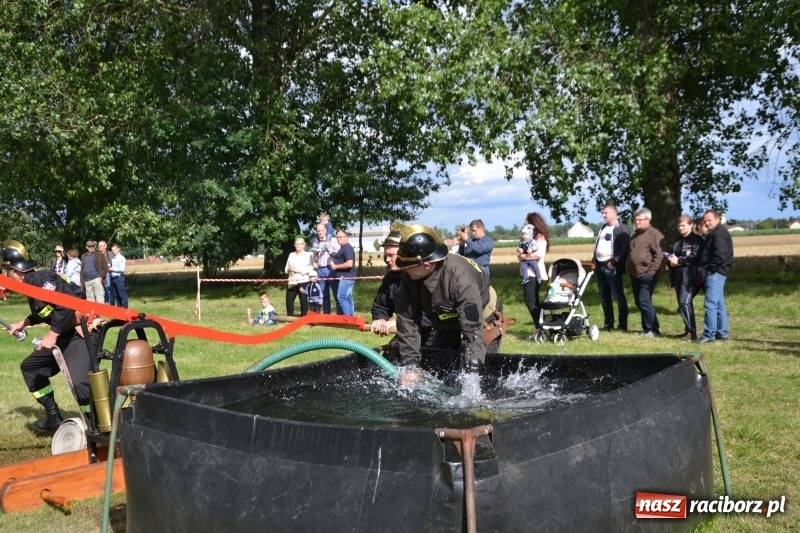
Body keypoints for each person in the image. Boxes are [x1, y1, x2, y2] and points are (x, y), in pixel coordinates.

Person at [2, 239, 93, 434]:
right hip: (65, 334)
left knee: (80, 383)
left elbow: (66, 304)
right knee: (31, 368)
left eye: (5, 272)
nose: (5, 277)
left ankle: (100, 425)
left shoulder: (39, 280)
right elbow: (46, 311)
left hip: (80, 332)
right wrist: (24, 322)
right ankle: (53, 419)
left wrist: (52, 334)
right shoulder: (32, 285)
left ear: (14, 271)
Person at [395, 225, 490, 385]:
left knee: (480, 377)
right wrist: (410, 368)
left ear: (425, 265)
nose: (402, 269)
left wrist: (471, 383)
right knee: (440, 372)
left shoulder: (460, 280)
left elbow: (473, 333)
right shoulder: (411, 274)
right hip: (445, 321)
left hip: (482, 320)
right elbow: (407, 320)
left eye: (406, 266)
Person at [626, 208, 667, 337]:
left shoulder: (655, 235)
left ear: (648, 220)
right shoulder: (635, 235)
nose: (636, 222)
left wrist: (650, 273)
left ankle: (653, 330)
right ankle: (647, 328)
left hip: (647, 274)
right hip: (635, 274)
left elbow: (659, 256)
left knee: (644, 301)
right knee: (640, 301)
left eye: (639, 220)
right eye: (635, 220)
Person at [694, 209, 734, 344]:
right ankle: (722, 333)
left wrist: (710, 270)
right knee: (719, 303)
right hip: (718, 272)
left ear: (717, 219)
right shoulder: (716, 233)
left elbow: (720, 256)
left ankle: (709, 334)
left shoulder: (719, 234)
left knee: (710, 303)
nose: (707, 223)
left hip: (715, 272)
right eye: (705, 221)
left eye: (709, 220)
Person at [593, 203, 630, 332]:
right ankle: (608, 324)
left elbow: (624, 250)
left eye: (606, 213)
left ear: (614, 214)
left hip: (612, 267)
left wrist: (614, 262)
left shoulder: (621, 229)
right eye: (602, 213)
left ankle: (622, 325)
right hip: (600, 266)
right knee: (604, 296)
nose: (603, 215)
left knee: (618, 296)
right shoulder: (603, 227)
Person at [666, 215, 705, 340]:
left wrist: (679, 261)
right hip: (678, 277)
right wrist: (669, 262)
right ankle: (687, 330)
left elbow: (694, 257)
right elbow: (673, 254)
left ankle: (692, 332)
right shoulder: (678, 241)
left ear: (690, 225)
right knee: (682, 304)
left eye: (683, 225)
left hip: (691, 277)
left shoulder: (697, 240)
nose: (681, 228)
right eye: (679, 226)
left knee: (684, 302)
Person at [519, 213, 550, 331]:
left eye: (526, 223)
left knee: (530, 300)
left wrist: (523, 256)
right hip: (528, 272)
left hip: (534, 273)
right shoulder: (529, 238)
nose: (525, 225)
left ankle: (540, 326)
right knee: (533, 300)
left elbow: (538, 254)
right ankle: (541, 325)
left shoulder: (540, 238)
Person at [370, 231, 404, 336]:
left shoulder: (422, 278)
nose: (387, 260)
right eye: (386, 256)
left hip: (433, 336)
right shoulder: (390, 278)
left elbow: (428, 316)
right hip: (407, 334)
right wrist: (380, 318)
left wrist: (397, 322)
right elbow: (380, 305)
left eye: (391, 255)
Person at [311, 222, 340, 313]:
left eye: (322, 230)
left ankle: (340, 314)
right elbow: (315, 260)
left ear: (326, 230)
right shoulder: (316, 243)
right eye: (318, 231)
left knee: (336, 294)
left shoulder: (333, 240)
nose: (320, 232)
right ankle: (326, 315)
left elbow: (339, 254)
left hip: (330, 269)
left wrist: (329, 249)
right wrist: (315, 253)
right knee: (324, 294)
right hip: (320, 270)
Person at [328, 230, 356, 316]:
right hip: (347, 277)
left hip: (346, 277)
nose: (338, 239)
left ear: (346, 237)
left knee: (341, 296)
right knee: (347, 297)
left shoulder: (347, 248)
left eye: (340, 237)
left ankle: (347, 318)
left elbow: (349, 264)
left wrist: (335, 266)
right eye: (337, 237)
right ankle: (351, 317)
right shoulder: (343, 248)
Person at [284, 237, 313, 317]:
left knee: (303, 300)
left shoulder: (308, 255)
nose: (297, 246)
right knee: (289, 299)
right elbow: (286, 268)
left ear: (304, 245)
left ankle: (303, 317)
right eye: (296, 244)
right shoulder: (291, 255)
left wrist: (299, 270)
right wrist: (289, 269)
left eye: (299, 244)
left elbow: (310, 268)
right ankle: (290, 316)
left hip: (303, 281)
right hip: (292, 281)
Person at [109, 243, 128, 308]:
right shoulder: (113, 258)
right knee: (116, 295)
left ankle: (125, 308)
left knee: (122, 294)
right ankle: (119, 309)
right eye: (112, 250)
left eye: (114, 250)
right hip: (114, 278)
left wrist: (111, 269)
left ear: (118, 249)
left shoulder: (121, 258)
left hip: (119, 278)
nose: (113, 251)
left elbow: (122, 269)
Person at [98, 240, 113, 304]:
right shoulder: (97, 254)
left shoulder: (110, 254)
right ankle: (106, 305)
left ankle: (110, 305)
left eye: (101, 245)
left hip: (108, 274)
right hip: (100, 274)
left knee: (108, 290)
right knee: (102, 291)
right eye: (99, 245)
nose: (100, 247)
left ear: (105, 246)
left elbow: (113, 263)